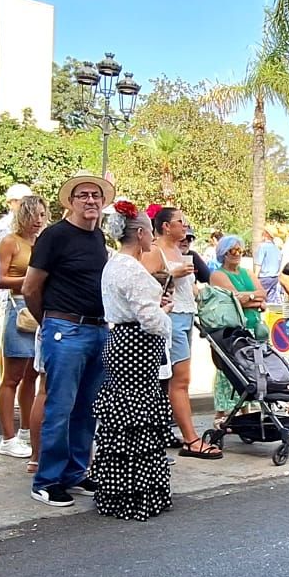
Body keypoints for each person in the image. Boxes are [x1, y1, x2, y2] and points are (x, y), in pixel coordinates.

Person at [23, 173, 114, 507]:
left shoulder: (98, 237)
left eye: (96, 195)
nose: (90, 200)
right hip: (66, 329)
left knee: (86, 408)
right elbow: (31, 287)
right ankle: (46, 480)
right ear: (71, 201)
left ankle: (75, 473)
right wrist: (50, 322)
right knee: (59, 407)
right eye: (83, 195)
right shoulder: (55, 235)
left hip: (96, 329)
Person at [92, 209, 173, 521]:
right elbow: (149, 318)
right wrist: (165, 317)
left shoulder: (114, 264)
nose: (152, 236)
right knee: (137, 419)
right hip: (136, 345)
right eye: (150, 230)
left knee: (124, 417)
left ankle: (117, 491)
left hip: (121, 342)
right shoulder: (132, 270)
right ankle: (138, 494)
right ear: (139, 234)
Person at [148, 206, 221, 460]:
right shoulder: (155, 251)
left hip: (185, 315)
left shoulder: (179, 251)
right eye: (180, 221)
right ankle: (191, 439)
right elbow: (143, 282)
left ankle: (164, 429)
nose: (185, 226)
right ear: (166, 226)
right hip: (172, 317)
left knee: (171, 380)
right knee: (180, 380)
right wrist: (171, 273)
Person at [0, 193, 49, 459]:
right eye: (33, 215)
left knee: (32, 375)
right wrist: (29, 280)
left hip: (40, 309)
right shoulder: (11, 242)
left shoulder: (45, 242)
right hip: (18, 308)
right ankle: (7, 436)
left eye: (42, 215)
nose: (38, 220)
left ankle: (27, 429)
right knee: (12, 376)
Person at [208, 233, 269, 418]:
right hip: (232, 330)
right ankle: (222, 414)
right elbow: (233, 299)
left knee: (250, 369)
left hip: (253, 327)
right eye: (231, 251)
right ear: (223, 253)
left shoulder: (247, 272)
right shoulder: (218, 275)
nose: (236, 254)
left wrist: (247, 298)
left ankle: (244, 412)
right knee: (229, 370)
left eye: (239, 250)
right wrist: (255, 300)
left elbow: (263, 293)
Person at [254, 225, 285, 303]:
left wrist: (254, 278)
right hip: (274, 278)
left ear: (265, 234)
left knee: (259, 298)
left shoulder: (263, 247)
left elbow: (258, 264)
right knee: (271, 300)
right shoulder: (276, 248)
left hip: (264, 277)